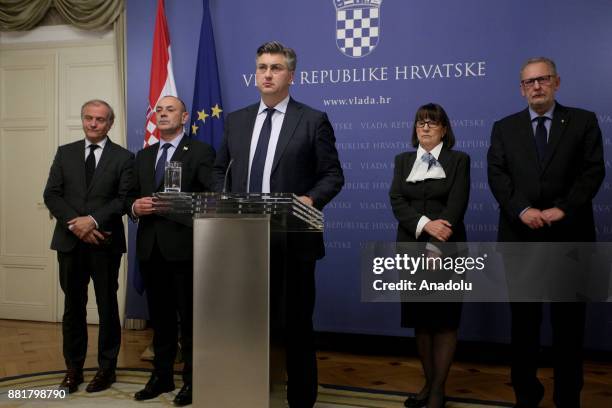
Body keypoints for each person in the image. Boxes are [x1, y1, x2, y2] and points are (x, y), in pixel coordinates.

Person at [213, 41, 344, 408]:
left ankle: (301, 401)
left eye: (275, 68)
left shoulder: (313, 119)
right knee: (246, 326)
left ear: (291, 75)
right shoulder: (236, 120)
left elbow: (332, 175)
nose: (267, 74)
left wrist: (310, 199)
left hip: (293, 240)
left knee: (296, 327)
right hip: (243, 240)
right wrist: (220, 197)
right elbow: (217, 169)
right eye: (261, 67)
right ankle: (246, 394)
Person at [487, 57, 604, 407]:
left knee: (569, 331)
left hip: (571, 240)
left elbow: (592, 172)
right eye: (529, 82)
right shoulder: (503, 128)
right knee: (524, 330)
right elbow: (498, 176)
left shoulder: (583, 121)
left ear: (556, 82)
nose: (536, 87)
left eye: (543, 79)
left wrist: (563, 208)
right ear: (521, 89)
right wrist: (523, 210)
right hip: (520, 240)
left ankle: (568, 399)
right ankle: (526, 396)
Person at [128, 95, 215, 406]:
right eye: (159, 110)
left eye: (170, 110)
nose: (163, 114)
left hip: (185, 249)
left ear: (185, 117)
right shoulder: (143, 155)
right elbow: (131, 198)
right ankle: (162, 376)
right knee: (161, 320)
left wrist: (177, 207)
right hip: (151, 251)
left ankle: (193, 380)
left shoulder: (201, 152)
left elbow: (212, 197)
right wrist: (134, 207)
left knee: (190, 321)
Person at [43, 99, 134, 394]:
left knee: (108, 308)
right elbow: (52, 195)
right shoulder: (65, 153)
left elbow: (123, 199)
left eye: (100, 119)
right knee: (73, 308)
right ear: (82, 120)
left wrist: (93, 221)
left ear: (111, 123)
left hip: (105, 243)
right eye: (88, 118)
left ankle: (106, 370)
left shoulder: (124, 157)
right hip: (70, 243)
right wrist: (77, 225)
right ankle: (74, 369)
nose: (93, 124)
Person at [389, 103, 470, 408]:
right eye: (420, 122)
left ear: (444, 130)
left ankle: (438, 389)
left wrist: (437, 244)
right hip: (411, 249)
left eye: (432, 123)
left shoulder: (459, 160)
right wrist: (424, 226)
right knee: (421, 321)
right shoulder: (402, 161)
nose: (425, 127)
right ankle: (428, 382)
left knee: (445, 321)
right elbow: (397, 199)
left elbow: (457, 203)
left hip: (447, 250)